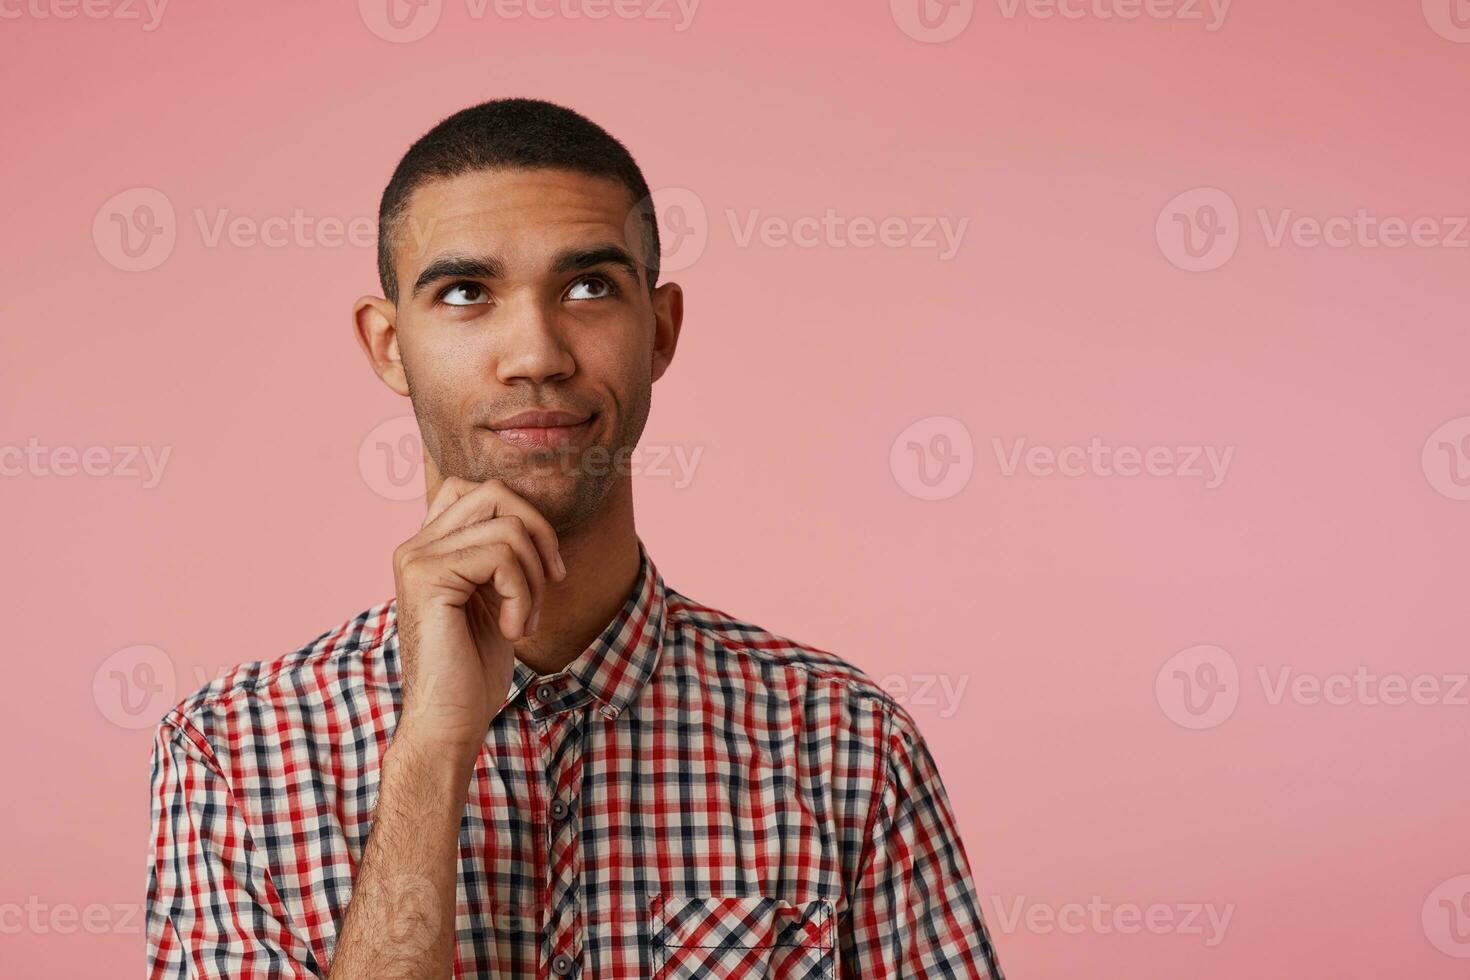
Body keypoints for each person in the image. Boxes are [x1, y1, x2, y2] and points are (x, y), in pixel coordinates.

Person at [145, 97, 1003, 979]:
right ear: (390, 345)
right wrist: (433, 747)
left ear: (660, 329)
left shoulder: (846, 746)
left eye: (588, 288)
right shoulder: (233, 754)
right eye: (467, 293)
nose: (537, 354)